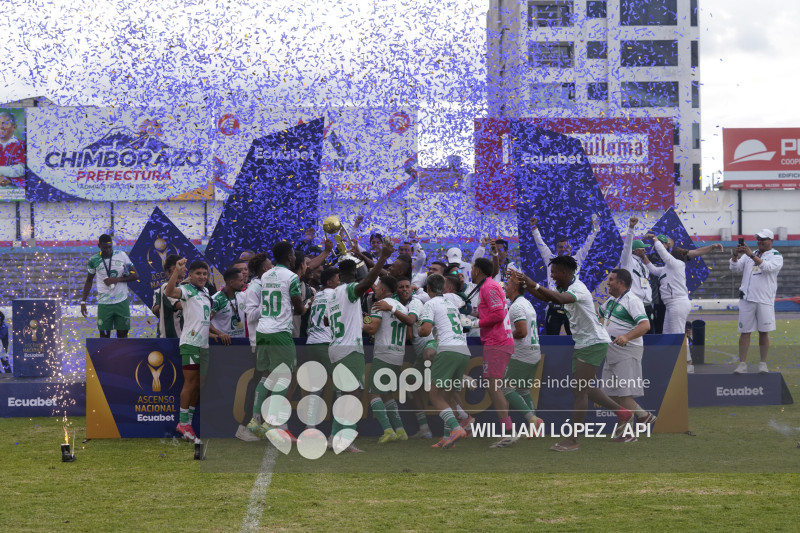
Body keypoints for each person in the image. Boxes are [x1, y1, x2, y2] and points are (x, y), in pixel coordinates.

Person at [511, 256, 633, 452]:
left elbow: (558, 299)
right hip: (584, 344)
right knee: (583, 388)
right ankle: (622, 412)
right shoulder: (565, 287)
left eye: (555, 273)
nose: (552, 276)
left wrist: (533, 283)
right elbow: (548, 297)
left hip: (593, 343)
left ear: (566, 273)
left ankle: (573, 439)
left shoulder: (578, 289)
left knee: (579, 391)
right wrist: (528, 284)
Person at [327, 240, 394, 453]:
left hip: (335, 347)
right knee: (352, 395)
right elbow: (366, 284)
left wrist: (356, 319)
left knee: (345, 394)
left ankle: (334, 436)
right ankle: (344, 439)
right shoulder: (349, 290)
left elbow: (329, 322)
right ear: (355, 276)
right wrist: (383, 258)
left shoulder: (332, 295)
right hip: (349, 349)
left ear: (338, 275)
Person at [641, 233, 722, 372]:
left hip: (677, 303)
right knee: (667, 333)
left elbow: (663, 253)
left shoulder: (677, 264)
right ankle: (671, 363)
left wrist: (654, 238)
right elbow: (653, 269)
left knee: (678, 334)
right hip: (672, 305)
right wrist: (643, 256)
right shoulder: (667, 268)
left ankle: (688, 364)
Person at [251, 241, 305, 446]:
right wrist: (304, 305)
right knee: (285, 377)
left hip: (263, 330)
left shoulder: (265, 275)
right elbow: (298, 308)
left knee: (265, 375)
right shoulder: (291, 277)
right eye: (292, 255)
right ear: (290, 256)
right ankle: (272, 423)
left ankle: (255, 420)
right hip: (280, 332)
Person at [598, 269, 655, 441]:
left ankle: (628, 433)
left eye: (611, 280)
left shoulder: (632, 300)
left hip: (627, 350)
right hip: (612, 350)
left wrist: (626, 337)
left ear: (622, 283)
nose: (608, 283)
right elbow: (596, 315)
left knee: (624, 394)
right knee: (609, 394)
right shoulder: (611, 301)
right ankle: (643, 416)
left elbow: (645, 326)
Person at [418, 274, 471, 449]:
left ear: (428, 289)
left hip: (448, 350)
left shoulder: (430, 304)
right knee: (447, 397)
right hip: (463, 350)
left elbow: (425, 331)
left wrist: (419, 327)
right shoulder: (451, 304)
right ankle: (448, 438)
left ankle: (456, 429)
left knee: (435, 395)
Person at [163, 258, 212, 443]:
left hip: (204, 344)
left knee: (201, 385)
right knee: (190, 383)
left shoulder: (206, 291)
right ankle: (183, 423)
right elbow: (169, 291)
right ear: (190, 275)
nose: (202, 277)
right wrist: (177, 271)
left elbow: (204, 318)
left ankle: (187, 424)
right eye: (198, 274)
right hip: (190, 343)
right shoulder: (187, 290)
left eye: (205, 274)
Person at [472, 257, 515, 447]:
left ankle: (508, 432)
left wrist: (475, 323)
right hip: (497, 341)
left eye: (472, 268)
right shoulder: (487, 286)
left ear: (478, 271)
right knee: (495, 387)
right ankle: (508, 431)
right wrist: (470, 313)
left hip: (497, 342)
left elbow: (498, 315)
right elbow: (490, 312)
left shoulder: (488, 287)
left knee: (494, 387)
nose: (470, 272)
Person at [530, 215, 599, 335]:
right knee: (552, 337)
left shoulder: (577, 259)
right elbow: (540, 244)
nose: (563, 249)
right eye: (560, 247)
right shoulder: (551, 260)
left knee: (573, 337)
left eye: (565, 247)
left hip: (571, 305)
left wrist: (595, 228)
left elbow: (588, 244)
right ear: (556, 249)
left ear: (570, 248)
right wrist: (534, 227)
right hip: (554, 304)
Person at [364, 276, 412, 443]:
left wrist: (358, 322)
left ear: (383, 290)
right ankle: (400, 430)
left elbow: (372, 328)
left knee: (373, 393)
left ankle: (388, 430)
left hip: (384, 353)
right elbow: (408, 334)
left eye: (376, 287)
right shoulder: (402, 307)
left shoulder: (379, 304)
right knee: (386, 394)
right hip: (398, 354)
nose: (374, 289)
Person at [497, 275, 544, 447]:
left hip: (522, 353)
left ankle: (533, 420)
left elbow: (522, 331)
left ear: (515, 288)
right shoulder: (526, 303)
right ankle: (534, 427)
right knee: (523, 391)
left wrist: (504, 336)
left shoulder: (516, 307)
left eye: (508, 284)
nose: (505, 286)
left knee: (505, 387)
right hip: (534, 352)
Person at [730, 229, 784, 374]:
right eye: (758, 239)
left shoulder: (776, 256)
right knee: (745, 332)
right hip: (747, 299)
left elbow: (767, 268)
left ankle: (762, 364)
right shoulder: (749, 254)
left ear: (771, 241)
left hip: (764, 300)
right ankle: (742, 364)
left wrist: (751, 255)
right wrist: (735, 255)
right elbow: (734, 268)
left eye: (763, 239)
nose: (759, 241)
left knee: (764, 332)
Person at [393, 276, 433, 438]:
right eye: (401, 287)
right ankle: (424, 428)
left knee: (442, 386)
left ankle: (458, 377)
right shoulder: (402, 305)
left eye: (407, 286)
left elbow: (410, 322)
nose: (404, 289)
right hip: (420, 353)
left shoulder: (415, 302)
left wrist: (392, 311)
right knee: (409, 382)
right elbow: (409, 333)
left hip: (429, 346)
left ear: (412, 288)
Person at [81, 234, 138, 338]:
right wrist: (83, 301)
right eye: (104, 247)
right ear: (99, 246)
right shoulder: (94, 260)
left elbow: (135, 276)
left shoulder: (122, 255)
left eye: (109, 247)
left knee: (123, 334)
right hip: (104, 303)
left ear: (112, 245)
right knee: (104, 335)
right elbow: (89, 281)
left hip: (121, 301)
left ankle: (122, 355)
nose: (107, 250)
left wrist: (116, 279)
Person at [620, 217, 653, 326]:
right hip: (635, 304)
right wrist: (631, 228)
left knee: (650, 334)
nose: (645, 251)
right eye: (643, 249)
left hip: (647, 304)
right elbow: (627, 246)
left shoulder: (643, 265)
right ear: (636, 251)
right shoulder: (628, 261)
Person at [210, 266, 247, 342]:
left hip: (241, 343)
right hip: (224, 344)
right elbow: (205, 321)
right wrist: (220, 334)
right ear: (231, 282)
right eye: (240, 281)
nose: (243, 283)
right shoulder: (216, 300)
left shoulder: (242, 296)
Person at [152, 254, 183, 338]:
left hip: (183, 336)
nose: (186, 269)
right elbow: (155, 310)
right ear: (174, 269)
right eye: (183, 267)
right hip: (169, 338)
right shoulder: (163, 288)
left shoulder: (184, 288)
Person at [0, 111, 25, 188]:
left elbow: (20, 170)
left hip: (14, 190)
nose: (1, 126)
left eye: (5, 123)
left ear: (14, 127)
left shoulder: (21, 144)